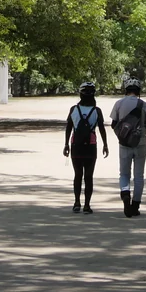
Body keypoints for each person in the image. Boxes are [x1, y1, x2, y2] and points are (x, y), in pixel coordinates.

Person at [109, 77, 146, 217]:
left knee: (124, 173)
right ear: (138, 91)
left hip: (124, 143)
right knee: (139, 176)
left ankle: (125, 194)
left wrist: (122, 135)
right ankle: (135, 205)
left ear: (126, 90)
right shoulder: (144, 104)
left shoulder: (118, 103)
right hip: (140, 141)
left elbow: (113, 124)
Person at [62, 81, 108, 214]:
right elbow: (102, 129)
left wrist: (66, 144)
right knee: (88, 176)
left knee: (77, 175)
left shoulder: (74, 109)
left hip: (75, 145)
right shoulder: (97, 111)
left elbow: (69, 128)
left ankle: (77, 202)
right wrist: (105, 144)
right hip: (91, 146)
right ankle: (87, 205)